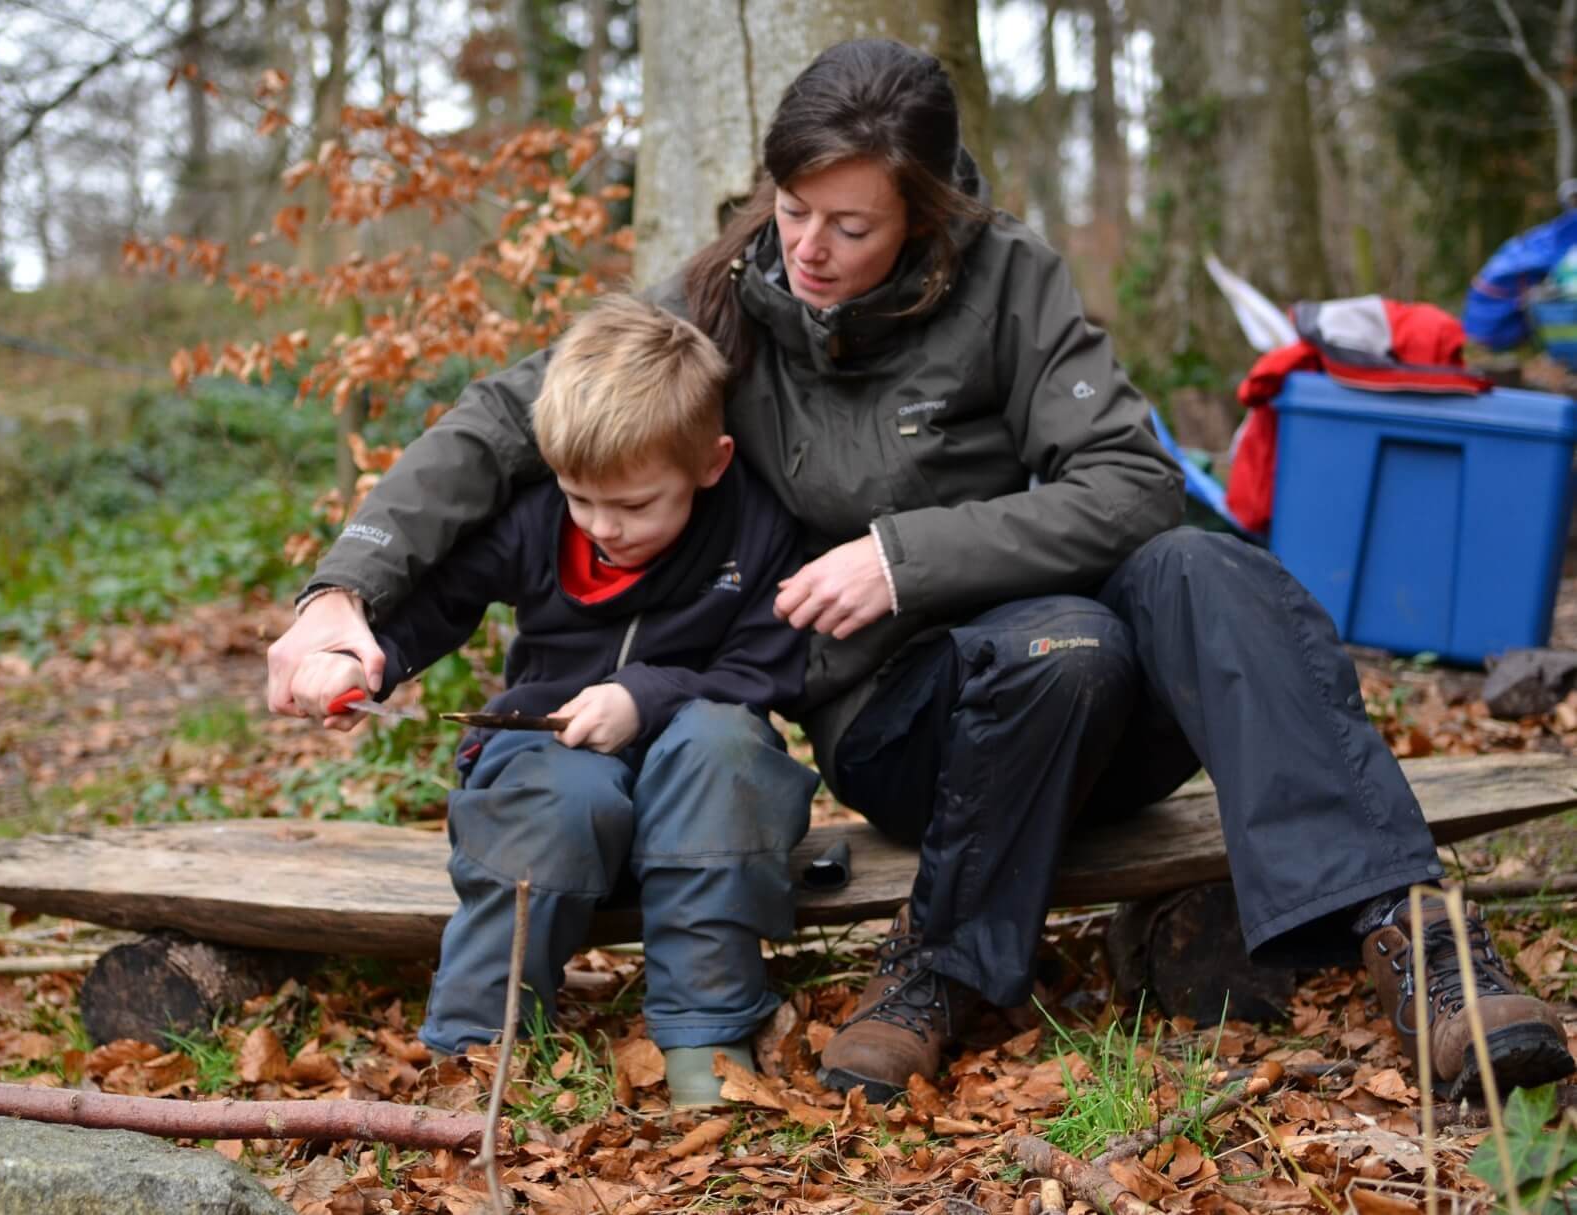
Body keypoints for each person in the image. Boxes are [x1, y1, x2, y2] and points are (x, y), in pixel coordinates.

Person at [271, 39, 1575, 1103]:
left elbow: (1129, 481)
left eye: (852, 224)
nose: (812, 249)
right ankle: (940, 972)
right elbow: (515, 418)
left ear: (931, 213)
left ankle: (1424, 944)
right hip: (910, 722)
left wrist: (902, 553)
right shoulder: (730, 295)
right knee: (1069, 640)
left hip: (1095, 702)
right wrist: (348, 591)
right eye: (793, 212)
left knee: (1202, 569)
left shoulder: (1014, 286)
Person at [285, 295, 818, 1108]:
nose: (604, 526)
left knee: (725, 749)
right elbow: (444, 598)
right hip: (552, 741)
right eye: (581, 498)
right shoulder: (542, 518)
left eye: (635, 505)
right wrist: (371, 659)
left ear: (710, 463)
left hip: (699, 764)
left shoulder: (756, 523)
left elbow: (765, 667)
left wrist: (642, 695)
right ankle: (477, 1045)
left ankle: (705, 1034)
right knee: (553, 798)